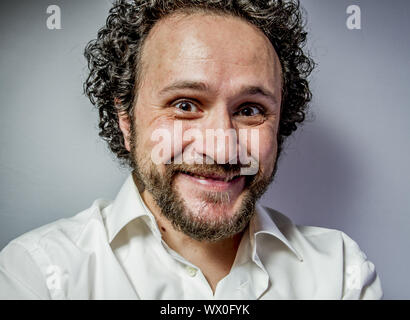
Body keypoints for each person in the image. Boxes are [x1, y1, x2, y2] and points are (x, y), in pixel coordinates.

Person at [0, 0, 382, 299]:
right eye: (185, 105)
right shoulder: (39, 277)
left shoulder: (339, 274)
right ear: (126, 120)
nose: (220, 147)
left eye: (250, 110)